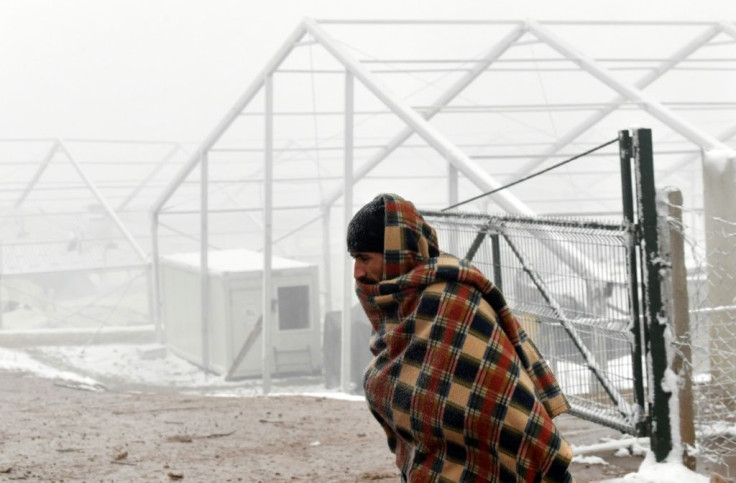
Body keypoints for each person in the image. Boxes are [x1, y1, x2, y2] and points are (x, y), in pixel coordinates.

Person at [346, 193, 574, 482]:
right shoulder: (401, 305)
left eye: (365, 258)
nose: (358, 271)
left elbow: (498, 400)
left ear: (395, 253)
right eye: (354, 259)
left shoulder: (452, 300)